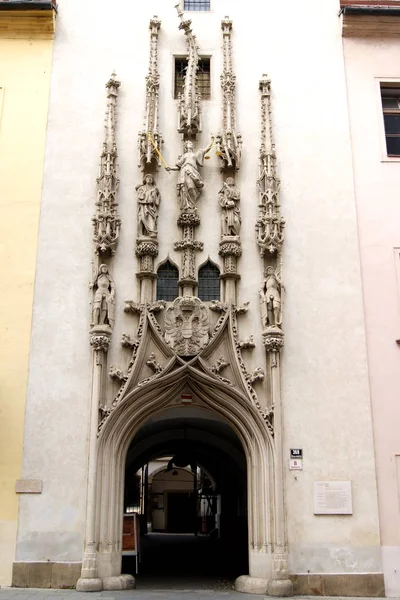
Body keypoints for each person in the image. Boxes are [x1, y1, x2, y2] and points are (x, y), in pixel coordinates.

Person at [166, 139, 213, 211]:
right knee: (184, 188)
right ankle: (186, 205)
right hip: (184, 171)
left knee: (191, 187)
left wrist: (212, 142)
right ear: (186, 146)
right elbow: (178, 167)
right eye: (189, 143)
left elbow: (205, 150)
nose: (191, 144)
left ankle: (192, 205)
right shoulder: (184, 156)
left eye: (191, 143)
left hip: (192, 171)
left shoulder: (195, 154)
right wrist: (170, 168)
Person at [92, 264, 116, 329]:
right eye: (103, 267)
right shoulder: (97, 276)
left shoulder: (109, 277)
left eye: (106, 267)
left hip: (106, 292)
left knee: (104, 308)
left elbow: (113, 287)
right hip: (99, 291)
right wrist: (92, 284)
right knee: (96, 307)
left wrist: (111, 295)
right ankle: (95, 322)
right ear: (100, 269)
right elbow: (92, 283)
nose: (105, 268)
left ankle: (102, 322)